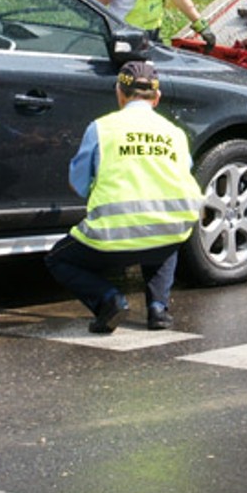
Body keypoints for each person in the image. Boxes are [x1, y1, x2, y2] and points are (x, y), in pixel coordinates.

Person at [45, 59, 203, 334]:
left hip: (111, 238)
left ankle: (109, 300)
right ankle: (158, 309)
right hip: (168, 235)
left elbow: (78, 184)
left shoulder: (101, 128)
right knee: (165, 233)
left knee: (58, 259)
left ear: (119, 93)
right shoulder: (175, 133)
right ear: (157, 97)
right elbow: (182, 174)